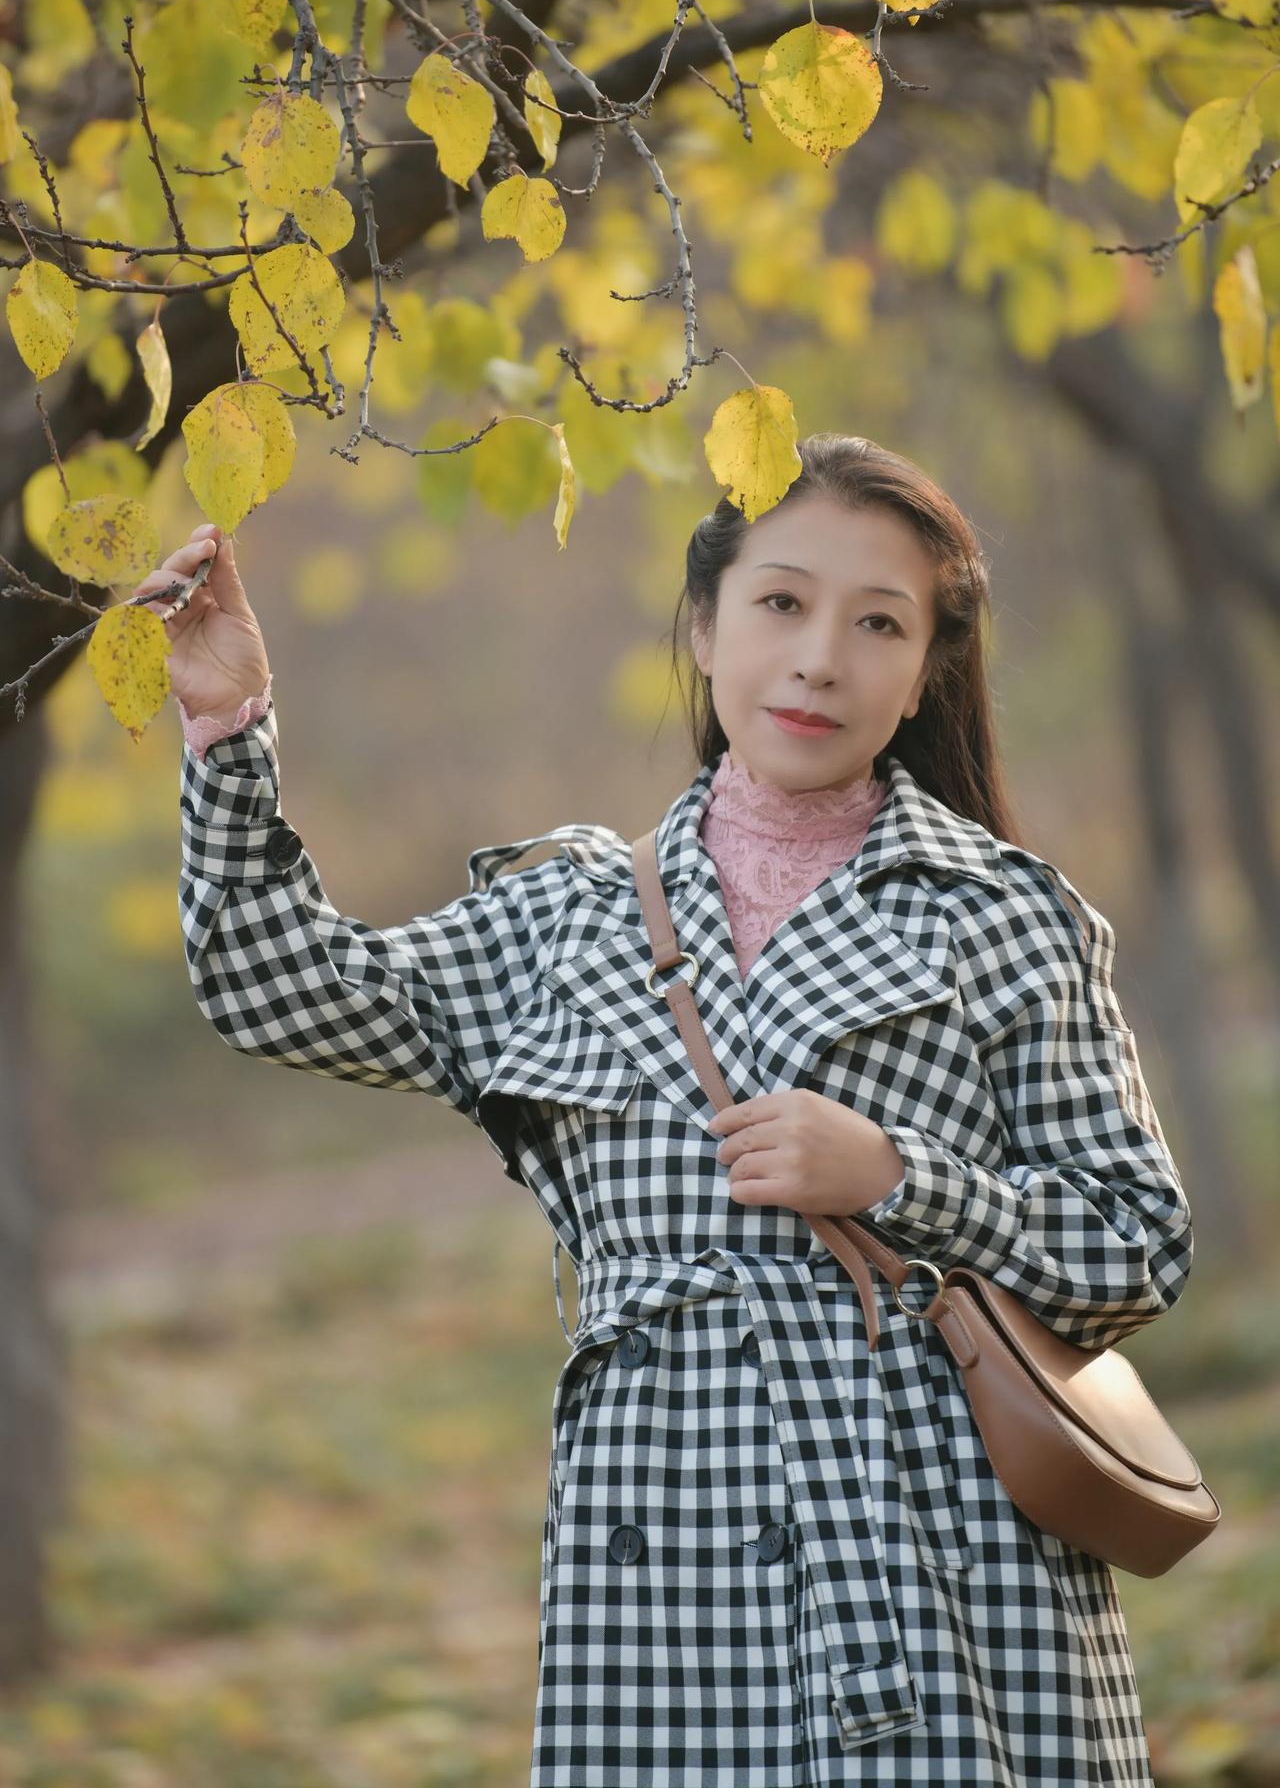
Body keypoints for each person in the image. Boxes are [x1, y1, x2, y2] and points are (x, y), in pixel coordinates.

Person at [135, 431, 1194, 1785]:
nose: (819, 657)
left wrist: (898, 1176)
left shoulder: (1003, 916)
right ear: (703, 625)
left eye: (879, 623)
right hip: (654, 1589)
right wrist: (228, 730)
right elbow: (272, 986)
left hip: (940, 1574)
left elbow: (1140, 1244)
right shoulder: (565, 916)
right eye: (781, 603)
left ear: (928, 667)